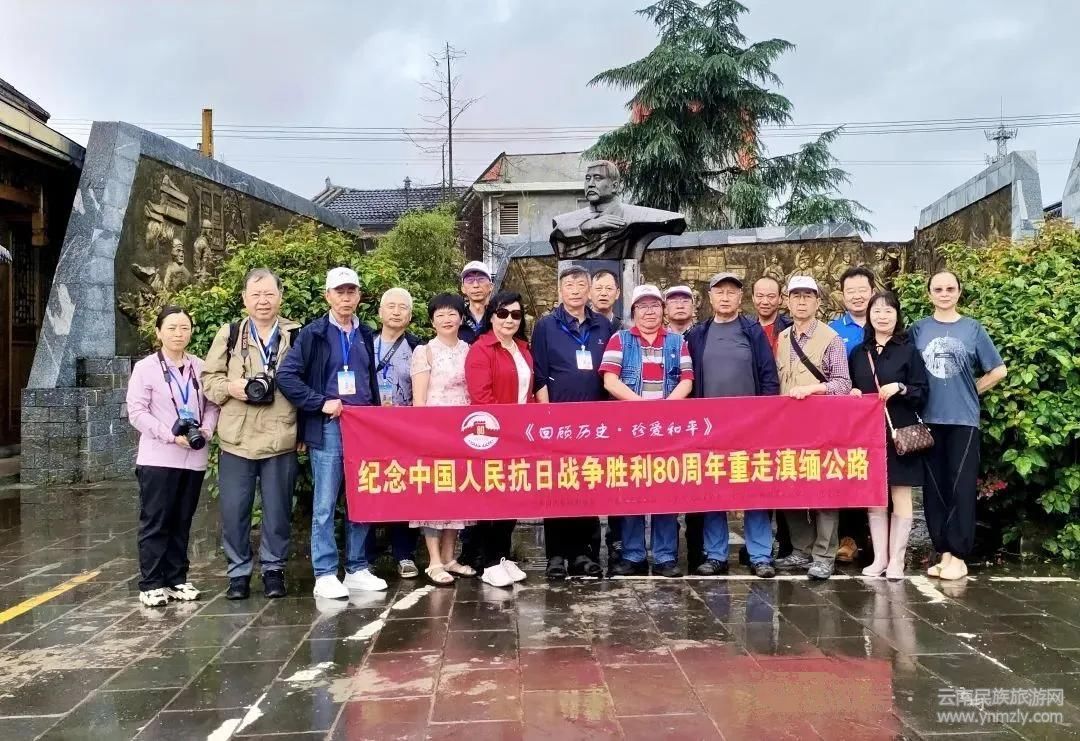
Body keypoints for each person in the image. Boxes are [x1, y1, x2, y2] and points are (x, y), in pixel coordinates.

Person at [277, 267, 387, 599]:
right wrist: (320, 403)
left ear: (359, 296)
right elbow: (287, 376)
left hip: (364, 428)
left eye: (351, 291)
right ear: (328, 296)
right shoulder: (313, 334)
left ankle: (356, 567)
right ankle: (325, 573)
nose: (346, 297)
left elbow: (368, 380)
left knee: (361, 498)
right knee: (325, 502)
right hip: (330, 427)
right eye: (340, 291)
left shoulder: (365, 333)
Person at [201, 268, 300, 601]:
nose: (263, 301)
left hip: (281, 434)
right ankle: (238, 573)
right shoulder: (229, 334)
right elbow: (209, 380)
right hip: (237, 438)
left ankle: (274, 570)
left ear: (280, 297)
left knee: (278, 511)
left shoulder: (296, 334)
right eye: (255, 295)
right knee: (234, 511)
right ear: (244, 299)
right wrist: (231, 387)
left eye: (269, 294)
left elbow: (308, 383)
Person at [912, 271, 1006, 581]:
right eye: (938, 289)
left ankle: (960, 556)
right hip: (928, 419)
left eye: (950, 288)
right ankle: (945, 554)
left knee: (961, 487)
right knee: (935, 489)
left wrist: (971, 390)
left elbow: (999, 370)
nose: (944, 293)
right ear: (929, 293)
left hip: (963, 419)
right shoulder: (918, 329)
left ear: (959, 292)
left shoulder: (972, 328)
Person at [685, 273, 781, 579]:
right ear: (710, 298)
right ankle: (716, 555)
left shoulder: (752, 331)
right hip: (710, 427)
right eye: (720, 292)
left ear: (741, 298)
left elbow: (768, 377)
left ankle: (760, 555)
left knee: (754, 488)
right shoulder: (698, 334)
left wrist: (765, 417)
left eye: (731, 292)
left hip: (750, 426)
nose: (725, 297)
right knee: (714, 490)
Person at [127, 305, 220, 607]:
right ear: (158, 332)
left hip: (193, 458)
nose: (179, 334)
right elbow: (136, 412)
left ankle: (176, 579)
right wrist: (169, 435)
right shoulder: (146, 368)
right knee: (156, 521)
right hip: (158, 457)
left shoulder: (200, 367)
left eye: (184, 328)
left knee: (182, 520)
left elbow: (212, 405)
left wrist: (206, 430)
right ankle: (151, 583)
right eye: (171, 328)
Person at [600, 284, 694, 577]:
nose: (649, 311)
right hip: (630, 429)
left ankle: (666, 557)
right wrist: (641, 406)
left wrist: (664, 409)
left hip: (667, 430)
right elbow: (610, 381)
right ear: (633, 312)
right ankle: (634, 555)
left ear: (662, 310)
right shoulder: (619, 340)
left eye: (654, 305)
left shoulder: (677, 342)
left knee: (666, 490)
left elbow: (687, 380)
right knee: (632, 490)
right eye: (643, 306)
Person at [530, 264, 613, 578]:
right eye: (569, 285)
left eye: (581, 285)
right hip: (558, 420)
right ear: (560, 290)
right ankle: (556, 556)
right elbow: (539, 372)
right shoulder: (546, 326)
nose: (575, 290)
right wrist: (546, 416)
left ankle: (583, 554)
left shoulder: (602, 325)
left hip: (593, 421)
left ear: (589, 290)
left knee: (586, 485)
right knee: (557, 486)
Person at [773, 276, 852, 580]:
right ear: (788, 302)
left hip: (822, 427)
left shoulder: (831, 339)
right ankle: (801, 549)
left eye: (808, 296)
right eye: (796, 296)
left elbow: (843, 384)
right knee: (790, 486)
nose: (802, 301)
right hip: (787, 427)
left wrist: (814, 389)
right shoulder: (783, 338)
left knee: (823, 490)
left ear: (818, 302)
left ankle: (824, 555)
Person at [849, 292, 929, 580]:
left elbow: (922, 391)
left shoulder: (909, 351)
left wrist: (900, 387)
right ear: (869, 316)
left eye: (888, 311)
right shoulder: (859, 353)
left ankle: (897, 559)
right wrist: (853, 393)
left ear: (897, 316)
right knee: (875, 496)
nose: (882, 316)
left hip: (900, 431)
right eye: (877, 311)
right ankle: (879, 558)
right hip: (868, 434)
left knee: (900, 492)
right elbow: (851, 385)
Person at [465, 290, 534, 588]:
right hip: (493, 435)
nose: (509, 320)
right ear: (492, 315)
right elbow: (481, 397)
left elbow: (528, 393)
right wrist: (506, 429)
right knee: (492, 497)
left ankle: (503, 556)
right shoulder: (481, 349)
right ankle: (489, 562)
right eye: (503, 313)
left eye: (516, 315)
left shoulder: (523, 349)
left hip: (521, 435)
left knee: (513, 496)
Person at [409, 293, 477, 586]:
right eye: (440, 315)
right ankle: (434, 560)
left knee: (458, 492)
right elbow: (419, 400)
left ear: (461, 318)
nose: (447, 319)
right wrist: (424, 434)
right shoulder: (424, 352)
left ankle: (450, 557)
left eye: (452, 314)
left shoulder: (470, 350)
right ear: (432, 321)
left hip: (463, 431)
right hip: (434, 432)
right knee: (435, 494)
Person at [369, 287, 422, 579]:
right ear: (380, 312)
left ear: (410, 316)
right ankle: (364, 558)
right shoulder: (364, 344)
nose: (396, 311)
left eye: (403, 307)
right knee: (369, 488)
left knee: (403, 488)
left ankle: (404, 554)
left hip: (404, 432)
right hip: (369, 430)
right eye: (391, 306)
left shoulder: (417, 348)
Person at [829, 266, 878, 563]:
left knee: (880, 475)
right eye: (851, 291)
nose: (857, 296)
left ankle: (878, 540)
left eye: (863, 290)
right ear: (842, 295)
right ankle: (848, 538)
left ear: (873, 291)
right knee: (849, 472)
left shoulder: (885, 322)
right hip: (846, 417)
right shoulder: (833, 330)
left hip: (881, 414)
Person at [752, 276, 791, 354]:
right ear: (753, 298)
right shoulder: (745, 328)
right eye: (760, 296)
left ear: (780, 299)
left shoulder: (790, 328)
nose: (765, 302)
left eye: (771, 296)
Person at [457, 260, 493, 344]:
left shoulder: (500, 316)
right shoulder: (457, 318)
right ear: (463, 288)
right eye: (470, 280)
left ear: (491, 286)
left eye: (481, 279)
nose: (476, 285)